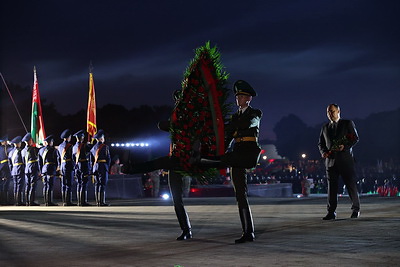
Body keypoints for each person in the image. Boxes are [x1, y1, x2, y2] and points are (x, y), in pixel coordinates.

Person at [195, 80, 262, 243]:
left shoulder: (255, 113)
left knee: (223, 161)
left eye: (240, 96)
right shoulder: (234, 117)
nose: (237, 98)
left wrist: (225, 125)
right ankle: (248, 232)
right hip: (236, 155)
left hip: (248, 153)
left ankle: (203, 162)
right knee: (240, 195)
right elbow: (227, 139)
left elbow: (246, 123)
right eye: (237, 96)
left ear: (248, 99)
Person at [131, 90, 193, 241]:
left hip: (187, 158)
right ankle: (186, 229)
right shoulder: (174, 118)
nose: (178, 103)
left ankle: (186, 229)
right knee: (176, 198)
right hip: (174, 159)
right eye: (177, 101)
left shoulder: (191, 118)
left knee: (181, 193)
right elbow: (162, 125)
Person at [318, 103, 360, 220]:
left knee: (350, 186)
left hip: (345, 161)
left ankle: (355, 209)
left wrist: (345, 146)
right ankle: (331, 212)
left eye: (332, 111)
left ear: (338, 111)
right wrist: (323, 152)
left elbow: (355, 138)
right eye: (328, 112)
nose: (330, 114)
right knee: (332, 188)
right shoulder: (325, 127)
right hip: (331, 161)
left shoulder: (347, 123)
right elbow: (320, 143)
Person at [90, 129, 111, 206]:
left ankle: (97, 201)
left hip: (95, 167)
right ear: (101, 138)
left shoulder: (93, 148)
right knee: (102, 184)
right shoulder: (105, 147)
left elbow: (91, 159)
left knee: (97, 184)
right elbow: (108, 158)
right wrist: (107, 167)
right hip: (102, 166)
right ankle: (102, 202)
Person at [73, 130, 92, 206]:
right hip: (83, 166)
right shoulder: (84, 146)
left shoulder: (74, 147)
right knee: (84, 183)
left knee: (79, 183)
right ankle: (83, 201)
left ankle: (79, 201)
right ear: (82, 138)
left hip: (77, 166)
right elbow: (91, 150)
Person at [38, 135, 59, 206]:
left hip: (44, 169)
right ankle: (49, 202)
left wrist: (41, 171)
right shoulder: (53, 150)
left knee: (45, 185)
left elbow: (40, 162)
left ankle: (46, 201)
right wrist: (56, 168)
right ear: (50, 142)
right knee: (50, 185)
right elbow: (56, 160)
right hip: (51, 168)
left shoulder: (41, 150)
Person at [21, 133, 40, 206]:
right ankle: (31, 201)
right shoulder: (33, 149)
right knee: (33, 185)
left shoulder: (23, 151)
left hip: (27, 168)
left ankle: (27, 201)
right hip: (33, 168)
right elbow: (37, 157)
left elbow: (23, 161)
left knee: (27, 185)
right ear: (30, 141)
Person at [58, 129, 76, 206]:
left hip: (62, 165)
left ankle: (64, 201)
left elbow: (58, 157)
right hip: (68, 165)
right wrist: (74, 166)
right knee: (69, 184)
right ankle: (68, 201)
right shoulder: (70, 146)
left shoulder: (59, 146)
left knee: (63, 184)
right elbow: (73, 157)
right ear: (68, 137)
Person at [8, 136, 25, 205]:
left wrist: (12, 171)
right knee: (20, 185)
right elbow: (24, 160)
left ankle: (16, 201)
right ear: (18, 143)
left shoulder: (10, 152)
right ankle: (19, 201)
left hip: (14, 170)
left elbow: (10, 164)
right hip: (20, 169)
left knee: (15, 185)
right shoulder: (20, 151)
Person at [0, 135, 13, 205]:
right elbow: (12, 150)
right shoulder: (6, 148)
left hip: (2, 168)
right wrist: (11, 144)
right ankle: (4, 201)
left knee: (4, 185)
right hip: (5, 168)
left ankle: (4, 201)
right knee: (5, 185)